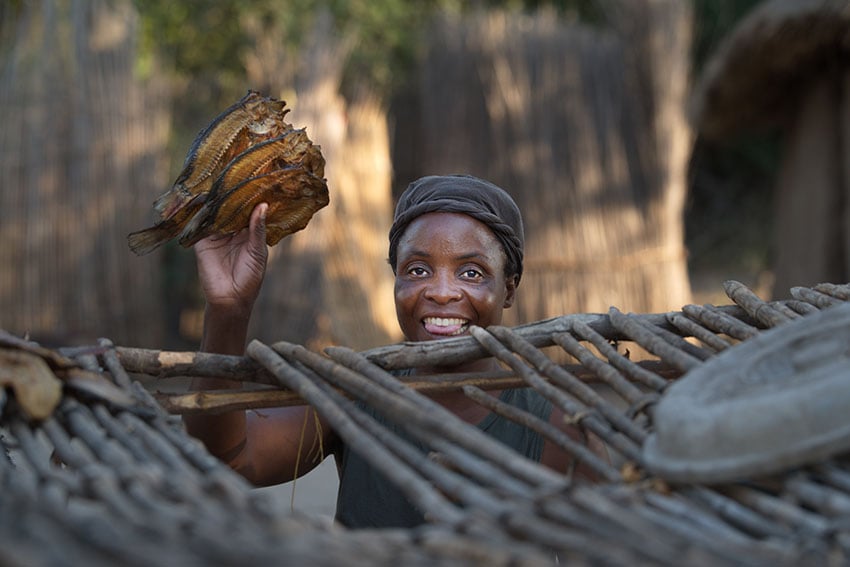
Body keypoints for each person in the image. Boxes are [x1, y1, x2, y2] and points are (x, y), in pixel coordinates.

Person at [184, 174, 605, 528]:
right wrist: (228, 310)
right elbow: (230, 460)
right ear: (396, 280)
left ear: (508, 289)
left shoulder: (557, 426)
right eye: (418, 270)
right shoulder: (354, 393)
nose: (441, 292)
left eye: (472, 272)